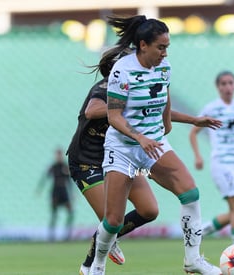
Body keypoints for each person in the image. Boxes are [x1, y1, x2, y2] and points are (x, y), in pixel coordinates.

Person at [67, 47, 222, 275]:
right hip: (87, 162)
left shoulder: (141, 84)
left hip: (128, 153)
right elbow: (92, 111)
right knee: (113, 221)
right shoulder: (105, 88)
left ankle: (105, 240)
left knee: (149, 210)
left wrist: (194, 120)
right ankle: (90, 265)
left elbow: (159, 112)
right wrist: (120, 108)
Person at [189, 70, 234, 245]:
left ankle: (199, 232)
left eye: (231, 83)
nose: (228, 87)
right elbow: (193, 133)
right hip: (221, 163)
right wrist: (198, 156)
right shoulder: (211, 108)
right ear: (218, 87)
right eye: (224, 83)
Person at [36, 149, 74, 241]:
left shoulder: (65, 166)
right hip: (55, 192)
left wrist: (72, 193)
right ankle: (51, 236)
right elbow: (44, 178)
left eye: (60, 155)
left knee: (70, 212)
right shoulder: (53, 167)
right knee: (54, 214)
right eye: (57, 155)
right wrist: (39, 189)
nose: (58, 157)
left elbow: (69, 181)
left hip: (64, 191)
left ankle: (67, 235)